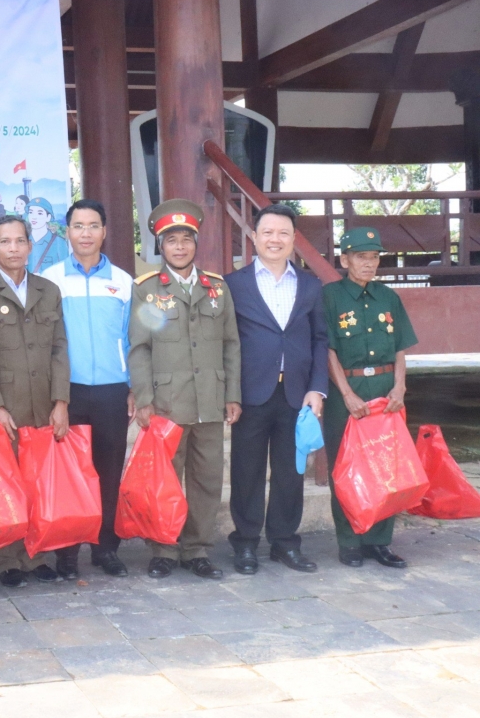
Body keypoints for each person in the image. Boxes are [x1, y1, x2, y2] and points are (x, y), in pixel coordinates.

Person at [129, 199, 241, 580]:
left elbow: (231, 345)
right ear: (160, 246)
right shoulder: (148, 290)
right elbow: (140, 347)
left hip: (209, 401)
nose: (179, 247)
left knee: (207, 479)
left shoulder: (217, 289)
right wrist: (144, 399)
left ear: (196, 243)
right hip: (167, 403)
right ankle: (164, 549)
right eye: (171, 240)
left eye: (186, 239)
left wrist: (232, 395)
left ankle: (197, 549)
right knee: (165, 479)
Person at [224, 204, 327, 575]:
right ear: (253, 237)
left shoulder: (311, 285)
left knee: (290, 472)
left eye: (283, 233)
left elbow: (319, 339)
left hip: (297, 396)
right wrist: (230, 393)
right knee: (246, 471)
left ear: (294, 240)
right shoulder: (232, 285)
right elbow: (226, 342)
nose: (275, 239)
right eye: (267, 232)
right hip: (250, 395)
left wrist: (317, 389)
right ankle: (246, 543)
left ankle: (284, 543)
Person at [0, 215, 70, 588]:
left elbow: (60, 347)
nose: (13, 248)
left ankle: (37, 556)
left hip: (43, 402)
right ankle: (5, 560)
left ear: (29, 245)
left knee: (38, 482)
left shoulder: (49, 290)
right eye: (5, 242)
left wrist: (61, 401)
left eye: (19, 241)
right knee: (4, 484)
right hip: (5, 407)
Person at [41, 199, 135, 579]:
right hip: (69, 391)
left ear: (104, 231)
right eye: (78, 226)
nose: (85, 233)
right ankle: (66, 552)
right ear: (67, 232)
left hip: (114, 390)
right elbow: (46, 342)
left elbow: (135, 339)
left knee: (108, 471)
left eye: (93, 225)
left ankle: (105, 547)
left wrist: (134, 386)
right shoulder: (49, 280)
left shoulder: (124, 282)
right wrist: (55, 396)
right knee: (69, 475)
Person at [323, 227, 417, 569]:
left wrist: (400, 388)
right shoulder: (330, 297)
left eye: (374, 257)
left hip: (385, 391)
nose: (369, 264)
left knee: (386, 468)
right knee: (344, 469)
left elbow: (401, 348)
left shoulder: (388, 296)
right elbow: (329, 350)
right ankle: (349, 541)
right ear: (345, 259)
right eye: (361, 257)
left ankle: (379, 541)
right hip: (346, 395)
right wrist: (346, 394)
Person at [26, 197, 68, 274]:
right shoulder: (23, 241)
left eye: (39, 213)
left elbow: (65, 271)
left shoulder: (59, 242)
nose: (34, 217)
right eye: (31, 212)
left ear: (48, 217)